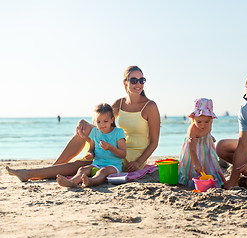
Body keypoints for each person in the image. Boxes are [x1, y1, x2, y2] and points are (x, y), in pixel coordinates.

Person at [6, 66, 160, 182]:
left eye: (142, 80)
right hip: (114, 144)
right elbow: (100, 122)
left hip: (129, 154)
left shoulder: (150, 106)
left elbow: (154, 142)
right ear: (125, 83)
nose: (138, 83)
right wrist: (82, 123)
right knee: (84, 130)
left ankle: (32, 173)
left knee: (82, 164)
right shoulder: (119, 103)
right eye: (134, 80)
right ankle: (53, 168)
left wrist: (139, 162)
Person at [57, 103, 126, 187]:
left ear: (112, 120)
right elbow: (91, 149)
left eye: (105, 121)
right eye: (98, 122)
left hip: (113, 166)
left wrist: (110, 148)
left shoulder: (118, 132)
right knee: (82, 169)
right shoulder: (94, 132)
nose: (102, 124)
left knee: (103, 171)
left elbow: (123, 154)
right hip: (97, 164)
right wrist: (90, 154)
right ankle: (72, 181)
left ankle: (91, 181)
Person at [178, 98, 226, 188]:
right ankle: (192, 183)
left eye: (206, 122)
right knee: (191, 168)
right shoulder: (192, 129)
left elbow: (208, 131)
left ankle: (212, 182)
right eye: (199, 122)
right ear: (193, 118)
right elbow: (192, 149)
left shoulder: (210, 122)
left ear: (211, 118)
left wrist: (210, 136)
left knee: (210, 164)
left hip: (206, 148)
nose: (203, 125)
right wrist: (197, 164)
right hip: (193, 151)